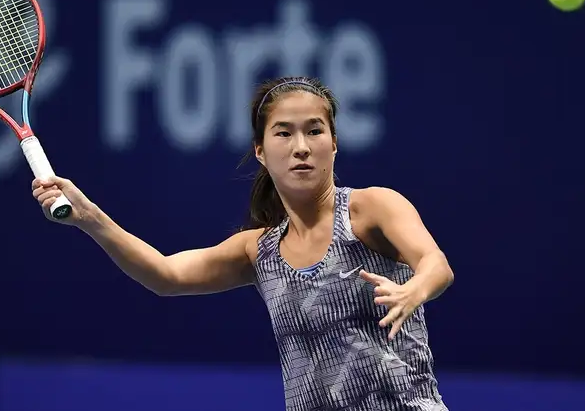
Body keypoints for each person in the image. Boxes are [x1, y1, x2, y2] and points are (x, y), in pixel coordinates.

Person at [32, 76, 454, 410]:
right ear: (260, 151)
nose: (301, 147)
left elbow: (435, 263)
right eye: (284, 133)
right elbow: (166, 275)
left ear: (334, 143)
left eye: (315, 130)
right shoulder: (259, 251)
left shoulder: (371, 208)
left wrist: (415, 289)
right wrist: (90, 218)